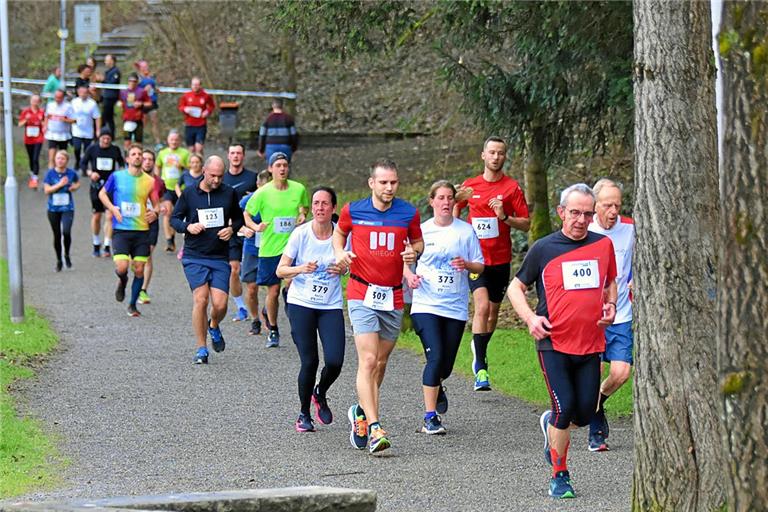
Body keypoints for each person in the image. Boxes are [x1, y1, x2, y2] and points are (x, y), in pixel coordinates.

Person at [507, 183, 617, 499]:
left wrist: (610, 305)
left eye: (586, 213)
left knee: (584, 413)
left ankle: (552, 426)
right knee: (564, 407)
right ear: (561, 213)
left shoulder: (603, 245)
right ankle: (559, 475)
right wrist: (530, 318)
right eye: (574, 213)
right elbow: (516, 288)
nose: (581, 220)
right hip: (553, 342)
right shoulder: (543, 248)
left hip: (591, 343)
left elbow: (610, 283)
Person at [333, 158, 423, 454]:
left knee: (381, 363)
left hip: (393, 295)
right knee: (368, 361)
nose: (389, 187)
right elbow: (339, 233)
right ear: (371, 183)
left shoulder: (408, 212)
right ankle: (374, 427)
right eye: (383, 182)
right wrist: (340, 254)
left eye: (393, 182)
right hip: (361, 291)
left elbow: (418, 243)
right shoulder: (353, 210)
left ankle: (360, 411)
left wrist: (412, 253)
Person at [404, 180, 484, 435]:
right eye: (440, 198)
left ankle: (438, 384)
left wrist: (467, 265)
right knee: (435, 356)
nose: (446, 202)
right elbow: (404, 259)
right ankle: (430, 417)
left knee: (445, 366)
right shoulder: (421, 232)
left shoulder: (465, 231)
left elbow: (480, 265)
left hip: (454, 307)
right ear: (432, 202)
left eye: (450, 197)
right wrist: (409, 276)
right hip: (426, 303)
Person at [454, 136, 530, 391]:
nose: (496, 157)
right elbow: (455, 213)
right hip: (477, 260)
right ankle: (481, 366)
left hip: (501, 260)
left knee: (493, 313)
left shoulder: (511, 187)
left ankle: (479, 345)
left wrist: (504, 216)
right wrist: (456, 203)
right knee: (482, 307)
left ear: (504, 157)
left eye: (500, 153)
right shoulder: (471, 185)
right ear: (483, 156)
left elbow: (526, 223)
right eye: (492, 152)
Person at [276, 186, 347, 432]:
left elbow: (351, 265)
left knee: (336, 361)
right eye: (316, 203)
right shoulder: (301, 234)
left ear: (333, 208)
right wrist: (300, 269)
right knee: (310, 361)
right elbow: (280, 269)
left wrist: (343, 269)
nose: (319, 208)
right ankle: (304, 413)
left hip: (330, 304)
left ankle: (321, 391)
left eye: (325, 204)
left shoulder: (342, 234)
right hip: (301, 303)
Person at [170, 156, 244, 364]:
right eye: (213, 175)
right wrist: (188, 227)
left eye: (220, 176)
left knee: (220, 305)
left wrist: (232, 229)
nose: (217, 180)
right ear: (204, 171)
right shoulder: (190, 193)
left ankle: (213, 325)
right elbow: (174, 219)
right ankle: (201, 348)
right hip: (195, 255)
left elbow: (238, 218)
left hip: (220, 256)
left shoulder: (229, 193)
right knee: (200, 300)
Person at [586, 179, 635, 452]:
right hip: (591, 316)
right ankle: (595, 428)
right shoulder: (585, 228)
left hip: (621, 313)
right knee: (595, 371)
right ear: (595, 206)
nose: (614, 211)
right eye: (607, 205)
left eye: (617, 204)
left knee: (621, 372)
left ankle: (598, 403)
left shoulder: (631, 228)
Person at [244, 152, 308, 346]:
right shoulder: (262, 193)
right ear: (271, 169)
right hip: (269, 249)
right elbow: (247, 213)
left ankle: (299, 326)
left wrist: (302, 215)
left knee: (291, 285)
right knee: (272, 292)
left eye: (285, 165)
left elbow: (304, 207)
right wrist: (255, 227)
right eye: (278, 165)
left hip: (293, 248)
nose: (282, 168)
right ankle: (273, 328)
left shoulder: (298, 189)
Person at [98, 144, 160, 317]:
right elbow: (102, 194)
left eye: (140, 154)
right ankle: (122, 280)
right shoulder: (117, 176)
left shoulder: (149, 181)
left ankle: (132, 305)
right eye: (134, 154)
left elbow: (156, 204)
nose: (138, 157)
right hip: (121, 230)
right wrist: (112, 208)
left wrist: (155, 213)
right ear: (127, 159)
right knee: (122, 266)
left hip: (141, 231)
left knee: (139, 268)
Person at [224, 143, 259, 322]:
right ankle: (241, 306)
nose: (236, 156)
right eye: (232, 153)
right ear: (228, 156)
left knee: (252, 276)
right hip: (232, 230)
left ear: (243, 156)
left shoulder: (253, 178)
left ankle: (255, 303)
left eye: (239, 153)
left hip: (251, 231)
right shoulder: (221, 179)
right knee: (234, 269)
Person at [81, 127, 125, 257]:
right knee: (96, 216)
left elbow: (122, 164)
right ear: (99, 138)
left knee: (110, 215)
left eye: (108, 139)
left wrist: (120, 175)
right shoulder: (92, 149)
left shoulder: (115, 150)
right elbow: (83, 164)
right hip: (96, 186)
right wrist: (90, 173)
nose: (106, 141)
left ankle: (107, 245)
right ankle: (96, 243)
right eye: (103, 138)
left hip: (110, 187)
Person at [238, 170, 271, 336]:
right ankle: (255, 319)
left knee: (272, 287)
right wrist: (244, 229)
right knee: (251, 288)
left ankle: (267, 312)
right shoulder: (247, 201)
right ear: (257, 186)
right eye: (262, 188)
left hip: (273, 248)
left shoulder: (277, 200)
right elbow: (233, 219)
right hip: (252, 248)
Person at [138, 149, 167, 305]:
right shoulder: (133, 179)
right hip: (134, 223)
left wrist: (161, 208)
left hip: (151, 222)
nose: (147, 161)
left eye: (150, 159)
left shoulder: (159, 182)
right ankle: (135, 283)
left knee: (147, 256)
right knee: (135, 259)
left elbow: (161, 199)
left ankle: (143, 290)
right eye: (145, 159)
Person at [43, 150, 80, 271]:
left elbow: (77, 183)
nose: (60, 160)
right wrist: (59, 185)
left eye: (62, 158)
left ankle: (67, 255)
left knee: (66, 232)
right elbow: (46, 190)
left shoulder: (71, 173)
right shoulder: (49, 174)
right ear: (54, 160)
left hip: (67, 208)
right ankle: (59, 260)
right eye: (58, 158)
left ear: (67, 161)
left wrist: (74, 187)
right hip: (53, 209)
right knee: (57, 235)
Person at [156, 130, 191, 252]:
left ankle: (174, 236)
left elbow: (192, 168)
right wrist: (157, 181)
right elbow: (158, 166)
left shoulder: (185, 153)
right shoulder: (162, 153)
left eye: (176, 139)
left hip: (180, 189)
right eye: (172, 139)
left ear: (180, 141)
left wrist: (181, 165)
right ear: (168, 140)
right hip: (167, 187)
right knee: (167, 212)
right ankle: (169, 240)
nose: (174, 142)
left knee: (178, 215)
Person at [178, 77, 216, 154]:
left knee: (198, 147)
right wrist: (185, 109)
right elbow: (181, 107)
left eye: (197, 85)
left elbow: (212, 106)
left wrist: (207, 112)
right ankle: (192, 165)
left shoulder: (206, 96)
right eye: (193, 84)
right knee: (191, 149)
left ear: (200, 85)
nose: (195, 86)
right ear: (191, 85)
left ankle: (201, 164)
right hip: (189, 124)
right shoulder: (186, 96)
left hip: (201, 125)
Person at [257, 98, 298, 163]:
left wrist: (261, 150)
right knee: (284, 167)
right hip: (286, 146)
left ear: (273, 106)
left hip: (271, 146)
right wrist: (294, 149)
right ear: (282, 106)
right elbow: (294, 135)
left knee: (272, 167)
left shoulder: (267, 119)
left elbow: (262, 135)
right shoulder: (288, 119)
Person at [18, 94, 46, 189]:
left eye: (36, 100)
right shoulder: (26, 112)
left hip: (38, 138)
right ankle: (32, 172)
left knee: (35, 158)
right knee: (30, 158)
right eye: (33, 100)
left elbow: (44, 124)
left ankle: (35, 177)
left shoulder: (41, 112)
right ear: (30, 101)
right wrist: (26, 119)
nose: (34, 102)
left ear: (39, 102)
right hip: (28, 139)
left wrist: (42, 123)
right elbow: (20, 124)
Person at [70, 85, 101, 168]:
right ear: (78, 93)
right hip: (77, 129)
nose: (83, 94)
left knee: (87, 150)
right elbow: (69, 114)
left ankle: (85, 166)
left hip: (88, 130)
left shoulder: (92, 103)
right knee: (77, 148)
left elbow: (97, 117)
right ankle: (78, 160)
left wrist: (98, 130)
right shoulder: (74, 102)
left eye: (85, 93)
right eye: (81, 93)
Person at [44, 89, 75, 169]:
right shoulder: (50, 105)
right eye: (56, 97)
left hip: (63, 135)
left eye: (59, 97)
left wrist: (65, 120)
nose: (57, 99)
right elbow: (47, 116)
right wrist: (45, 126)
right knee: (52, 157)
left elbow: (74, 120)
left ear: (63, 97)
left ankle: (62, 173)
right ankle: (50, 175)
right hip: (52, 134)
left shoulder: (68, 106)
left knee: (62, 158)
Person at [118, 73, 150, 151]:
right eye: (130, 81)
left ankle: (139, 156)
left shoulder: (142, 92)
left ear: (137, 82)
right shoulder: (123, 92)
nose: (132, 83)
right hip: (127, 119)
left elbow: (149, 103)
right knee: (127, 140)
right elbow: (120, 102)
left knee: (138, 141)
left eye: (134, 81)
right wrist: (119, 104)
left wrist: (141, 104)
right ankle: (127, 158)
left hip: (138, 119)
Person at [136, 60, 160, 146]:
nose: (146, 68)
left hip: (152, 101)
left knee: (155, 121)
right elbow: (134, 90)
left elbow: (154, 87)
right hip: (143, 103)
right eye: (144, 67)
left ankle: (158, 142)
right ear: (140, 68)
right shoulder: (138, 78)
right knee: (143, 123)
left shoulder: (151, 77)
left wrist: (156, 90)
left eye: (147, 66)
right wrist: (143, 90)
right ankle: (138, 140)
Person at [101, 54, 121, 135]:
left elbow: (112, 83)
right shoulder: (108, 71)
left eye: (107, 60)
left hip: (111, 97)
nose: (105, 62)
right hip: (106, 95)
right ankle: (110, 134)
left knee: (105, 116)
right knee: (109, 117)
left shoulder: (116, 71)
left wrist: (103, 80)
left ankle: (103, 133)